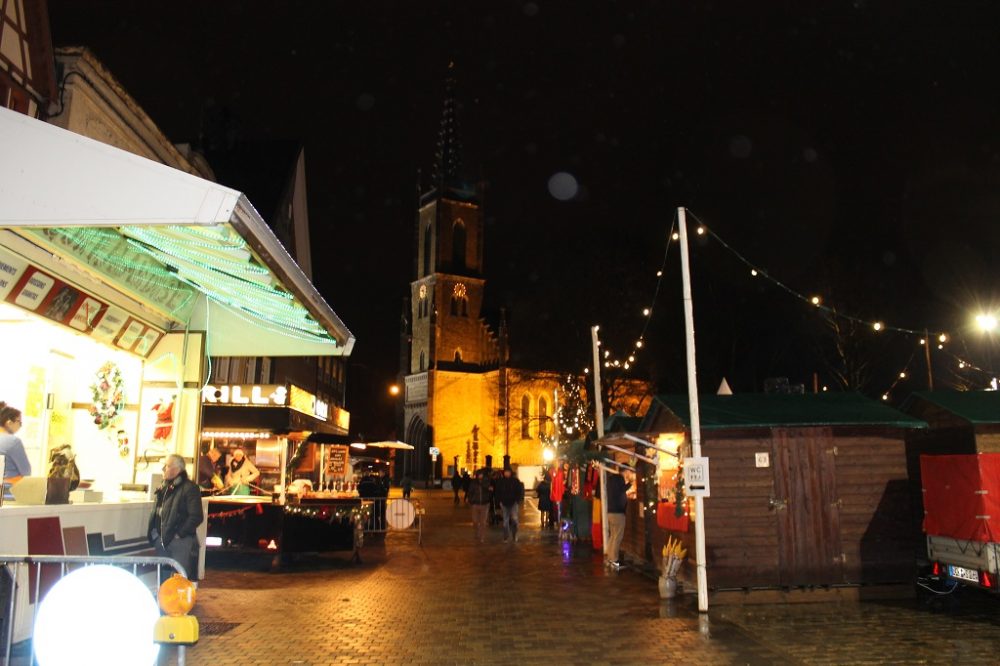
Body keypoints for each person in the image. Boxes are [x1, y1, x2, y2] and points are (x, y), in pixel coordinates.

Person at [147, 454, 204, 581]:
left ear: (177, 469)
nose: (163, 469)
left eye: (166, 466)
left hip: (180, 542)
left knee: (179, 579)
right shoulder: (163, 487)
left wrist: (179, 534)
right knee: (164, 579)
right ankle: (164, 600)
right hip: (163, 540)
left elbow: (196, 516)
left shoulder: (190, 488)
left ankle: (180, 601)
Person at [605, 469, 633, 569]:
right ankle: (614, 561)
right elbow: (622, 489)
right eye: (629, 472)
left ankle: (609, 558)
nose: (629, 474)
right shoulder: (619, 479)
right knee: (617, 537)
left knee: (613, 536)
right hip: (618, 512)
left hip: (611, 511)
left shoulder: (611, 479)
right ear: (625, 471)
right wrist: (631, 483)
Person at [0, 404, 31, 486]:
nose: (20, 426)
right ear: (9, 423)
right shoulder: (13, 441)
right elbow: (26, 471)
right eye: (19, 422)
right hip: (9, 490)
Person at [494, 467, 525, 543]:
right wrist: (499, 502)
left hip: (513, 503)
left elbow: (519, 491)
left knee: (514, 519)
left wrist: (517, 500)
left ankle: (514, 534)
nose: (507, 473)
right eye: (505, 472)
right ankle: (506, 536)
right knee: (505, 521)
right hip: (504, 503)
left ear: (511, 473)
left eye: (508, 472)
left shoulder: (515, 481)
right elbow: (497, 492)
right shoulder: (500, 481)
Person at [467, 469, 492, 543]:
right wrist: (471, 501)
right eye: (479, 474)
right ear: (477, 475)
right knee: (475, 521)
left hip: (485, 504)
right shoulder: (473, 483)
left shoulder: (487, 482)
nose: (480, 476)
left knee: (483, 522)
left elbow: (490, 490)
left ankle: (482, 537)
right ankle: (477, 533)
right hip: (475, 504)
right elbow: (470, 492)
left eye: (482, 474)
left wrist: (489, 492)